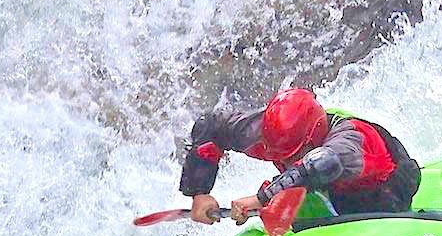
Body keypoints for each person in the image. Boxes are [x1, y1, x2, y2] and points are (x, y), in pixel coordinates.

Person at [179, 88, 421, 227]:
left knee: (308, 177)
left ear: (313, 139)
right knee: (298, 190)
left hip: (380, 194)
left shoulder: (349, 142)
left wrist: (262, 198)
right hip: (324, 187)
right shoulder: (268, 132)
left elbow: (320, 165)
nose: (283, 161)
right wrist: (199, 192)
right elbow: (210, 127)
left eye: (291, 155)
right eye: (277, 154)